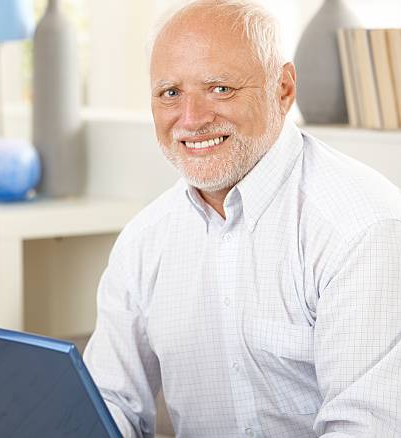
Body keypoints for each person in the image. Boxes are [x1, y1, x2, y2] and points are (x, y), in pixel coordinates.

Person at [82, 1, 401, 437]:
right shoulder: (144, 239)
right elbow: (111, 402)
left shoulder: (360, 226)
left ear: (284, 88)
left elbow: (367, 429)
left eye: (220, 89)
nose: (192, 119)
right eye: (170, 93)